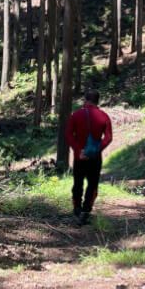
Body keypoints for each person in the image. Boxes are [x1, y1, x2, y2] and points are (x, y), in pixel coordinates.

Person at [64, 88, 113, 226]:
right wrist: (97, 150)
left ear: (85, 100)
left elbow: (68, 134)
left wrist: (78, 150)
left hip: (79, 157)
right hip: (95, 158)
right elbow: (108, 138)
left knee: (78, 183)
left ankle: (77, 208)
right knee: (93, 185)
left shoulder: (76, 115)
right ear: (98, 101)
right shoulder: (104, 116)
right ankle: (86, 211)